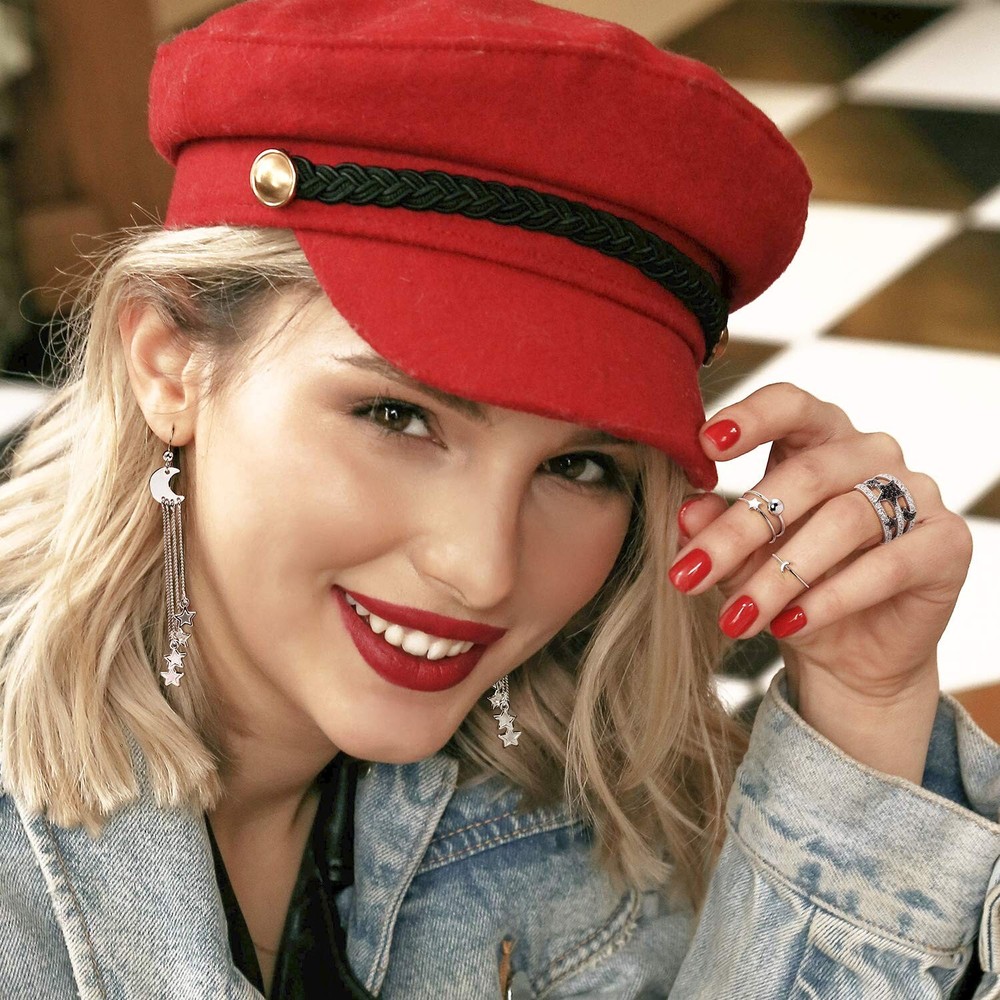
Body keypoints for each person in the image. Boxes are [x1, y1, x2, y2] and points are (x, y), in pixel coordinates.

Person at [0, 0, 998, 997]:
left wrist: (862, 715)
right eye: (396, 417)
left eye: (581, 467)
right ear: (167, 363)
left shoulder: (580, 763)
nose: (482, 570)